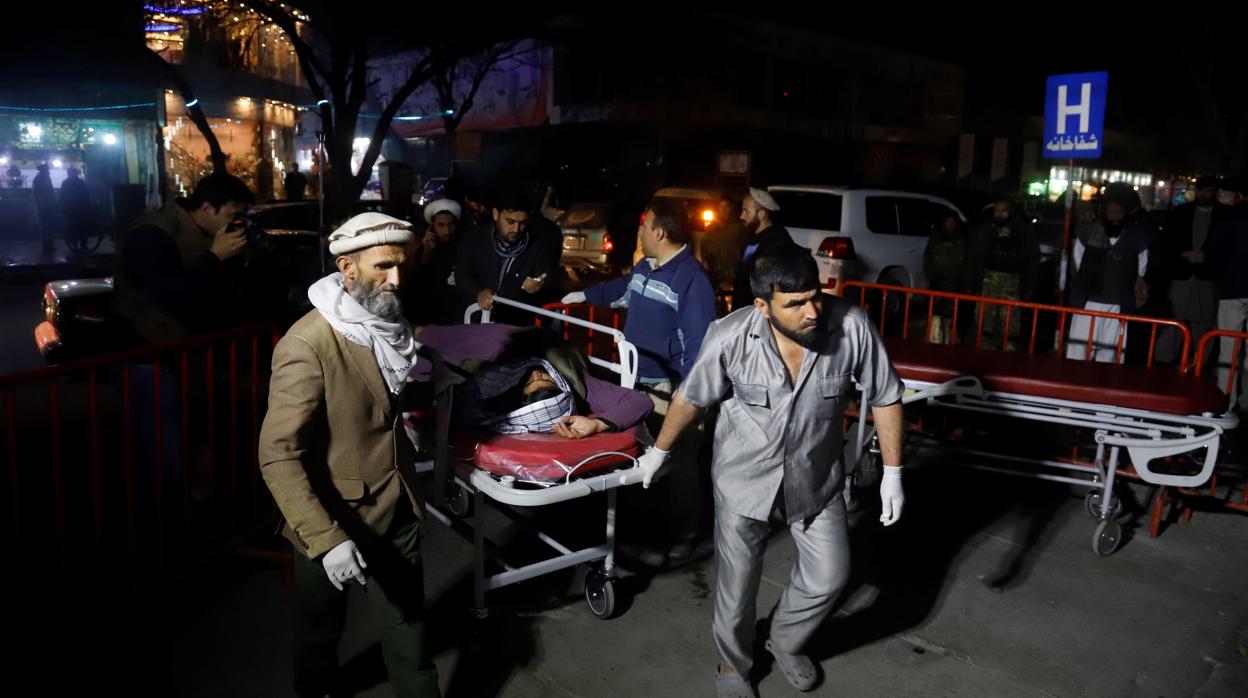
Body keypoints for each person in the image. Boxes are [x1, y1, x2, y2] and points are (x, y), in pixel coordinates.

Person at [632, 242, 906, 698]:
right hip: (744, 481)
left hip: (817, 478)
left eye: (815, 297)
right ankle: (733, 666)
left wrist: (893, 472)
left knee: (830, 575)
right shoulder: (730, 336)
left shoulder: (852, 326)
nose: (812, 311)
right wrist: (659, 452)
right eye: (795, 304)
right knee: (737, 589)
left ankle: (785, 640)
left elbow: (886, 394)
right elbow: (691, 397)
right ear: (762, 306)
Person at [259, 212, 440, 698]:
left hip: (396, 502)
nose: (396, 279)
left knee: (410, 631)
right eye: (383, 266)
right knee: (319, 639)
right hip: (331, 513)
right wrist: (326, 539)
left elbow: (377, 403)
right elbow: (278, 454)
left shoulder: (388, 325)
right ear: (347, 267)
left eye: (401, 265)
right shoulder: (307, 344)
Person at [563, 196, 718, 563]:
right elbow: (622, 290)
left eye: (643, 227)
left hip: (670, 391)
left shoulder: (692, 281)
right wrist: (584, 294)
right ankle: (649, 530)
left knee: (678, 467)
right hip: (636, 385)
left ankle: (685, 536)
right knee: (641, 459)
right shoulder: (647, 267)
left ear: (659, 232)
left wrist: (687, 398)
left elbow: (699, 348)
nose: (640, 233)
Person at [112, 172, 253, 345]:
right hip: (150, 345)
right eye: (232, 217)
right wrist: (215, 257)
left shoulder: (204, 233)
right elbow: (171, 297)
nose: (236, 224)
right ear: (207, 208)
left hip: (189, 339)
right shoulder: (152, 234)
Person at [1066, 189, 1152, 363]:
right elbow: (1078, 261)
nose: (1114, 217)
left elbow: (1141, 267)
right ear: (1104, 213)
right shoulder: (1087, 232)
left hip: (1117, 304)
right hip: (1088, 302)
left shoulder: (1136, 237)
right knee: (1079, 349)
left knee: (1110, 353)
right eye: (1110, 212)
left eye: (1119, 213)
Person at [454, 190, 560, 325]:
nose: (516, 229)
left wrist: (537, 289)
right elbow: (462, 275)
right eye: (510, 221)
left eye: (522, 223)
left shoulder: (538, 249)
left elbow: (550, 291)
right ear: (495, 214)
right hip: (476, 322)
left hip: (513, 326)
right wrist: (478, 292)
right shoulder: (474, 239)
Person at [1155, 175, 1230, 364]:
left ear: (1215, 192)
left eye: (1208, 190)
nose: (1204, 194)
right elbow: (1166, 242)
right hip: (1182, 274)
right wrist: (1183, 254)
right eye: (1201, 190)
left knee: (1204, 323)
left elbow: (1227, 247)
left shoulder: (1224, 215)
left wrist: (1207, 257)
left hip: (1208, 277)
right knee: (1174, 320)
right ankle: (1163, 362)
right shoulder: (1181, 212)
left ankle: (1199, 365)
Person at [964, 194, 1041, 350]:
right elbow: (973, 257)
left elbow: (1032, 259)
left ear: (1010, 210)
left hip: (1012, 285)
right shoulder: (985, 230)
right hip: (987, 283)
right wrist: (970, 283)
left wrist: (1030, 286)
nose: (999, 214)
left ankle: (1008, 358)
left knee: (1010, 327)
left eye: (1003, 211)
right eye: (997, 211)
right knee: (985, 326)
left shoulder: (1022, 231)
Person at [732, 187, 793, 311]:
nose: (741, 216)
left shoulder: (777, 242)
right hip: (744, 310)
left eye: (746, 211)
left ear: (761, 214)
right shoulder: (751, 237)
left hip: (759, 312)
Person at [923, 212, 967, 344]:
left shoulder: (961, 240)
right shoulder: (935, 238)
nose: (950, 225)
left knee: (951, 320)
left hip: (955, 285)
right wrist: (929, 277)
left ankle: (949, 344)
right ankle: (935, 344)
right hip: (937, 284)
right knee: (936, 318)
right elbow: (927, 260)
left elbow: (966, 262)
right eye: (948, 222)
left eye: (953, 222)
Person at [32, 163, 55, 253]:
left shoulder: (39, 178)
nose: (48, 170)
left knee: (46, 226)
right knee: (46, 226)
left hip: (44, 205)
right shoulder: (42, 179)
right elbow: (45, 193)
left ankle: (48, 245)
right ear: (43, 170)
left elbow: (36, 194)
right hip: (45, 206)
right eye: (47, 169)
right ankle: (46, 246)